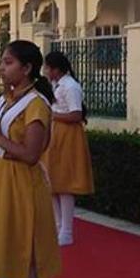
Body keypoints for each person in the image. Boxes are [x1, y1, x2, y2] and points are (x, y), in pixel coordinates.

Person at [0, 40, 61, 278]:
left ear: (26, 68)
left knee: (22, 265)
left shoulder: (36, 104)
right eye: (2, 62)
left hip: (22, 184)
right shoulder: (5, 100)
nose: (1, 68)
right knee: (5, 261)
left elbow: (30, 154)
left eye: (8, 62)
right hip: (1, 179)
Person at [42, 51, 94, 247]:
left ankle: (67, 230)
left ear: (56, 69)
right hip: (56, 134)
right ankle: (57, 226)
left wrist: (52, 115)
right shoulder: (56, 85)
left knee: (65, 183)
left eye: (48, 67)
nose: (46, 71)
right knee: (53, 182)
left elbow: (76, 115)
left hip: (68, 135)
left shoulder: (71, 86)